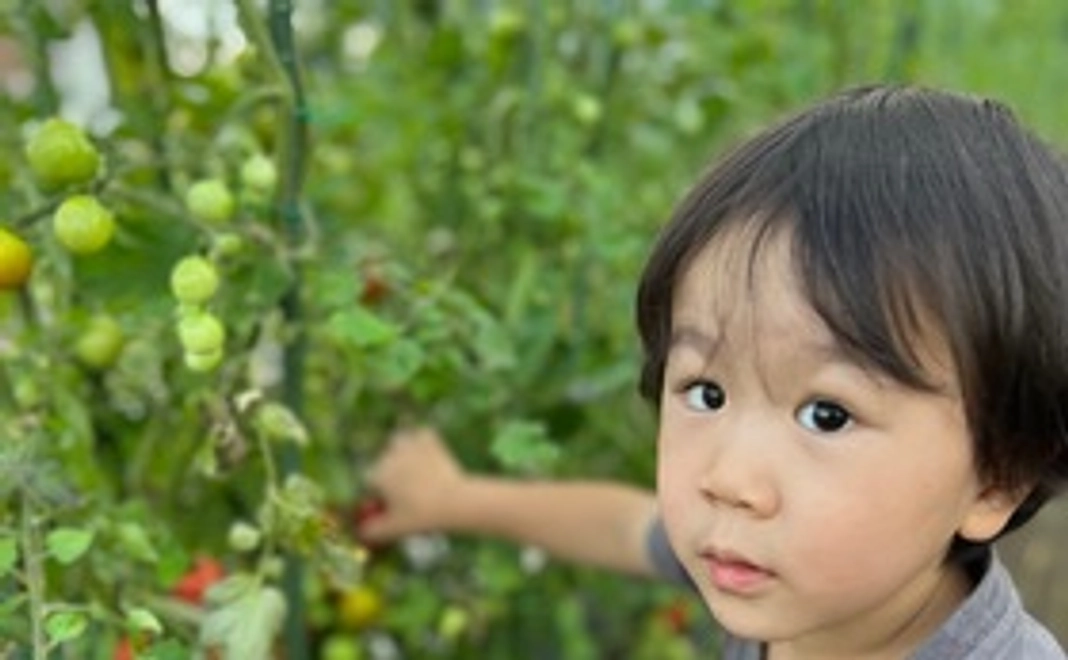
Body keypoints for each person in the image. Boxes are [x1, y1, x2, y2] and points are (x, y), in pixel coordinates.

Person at [360, 84, 1068, 658]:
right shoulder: (796, 572)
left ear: (998, 476)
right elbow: (623, 527)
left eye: (827, 414)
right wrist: (453, 497)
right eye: (706, 391)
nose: (728, 479)